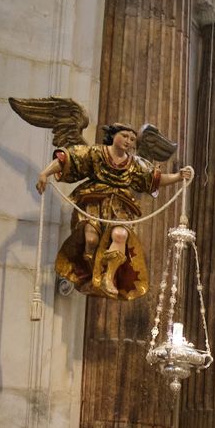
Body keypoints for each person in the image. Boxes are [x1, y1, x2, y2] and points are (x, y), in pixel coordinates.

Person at [35, 122, 193, 300]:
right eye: (125, 136)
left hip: (120, 206)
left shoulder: (134, 164)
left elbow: (154, 179)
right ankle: (89, 273)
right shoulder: (96, 153)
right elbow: (68, 159)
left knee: (120, 235)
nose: (128, 141)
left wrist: (178, 177)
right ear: (114, 135)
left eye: (132, 139)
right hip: (93, 201)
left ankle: (108, 278)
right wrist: (45, 173)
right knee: (91, 239)